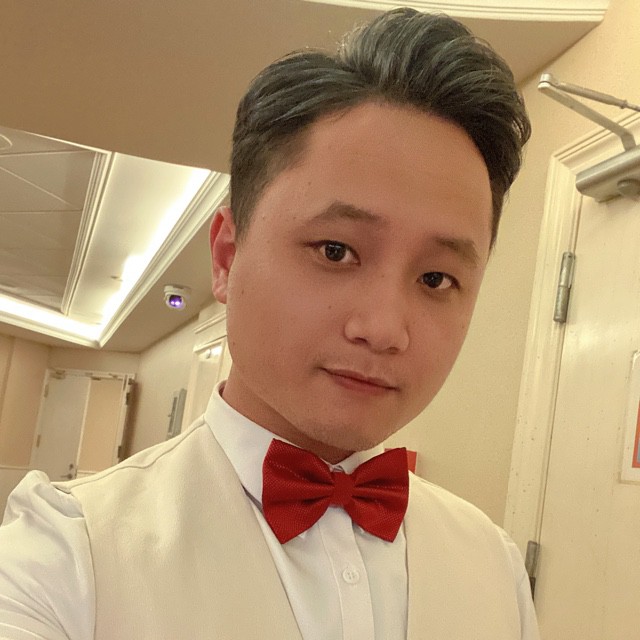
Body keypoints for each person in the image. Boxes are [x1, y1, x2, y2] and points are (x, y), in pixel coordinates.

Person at [0, 7, 536, 640]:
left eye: (436, 279)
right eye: (335, 250)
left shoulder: (494, 565)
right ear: (227, 256)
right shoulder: (66, 553)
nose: (385, 328)